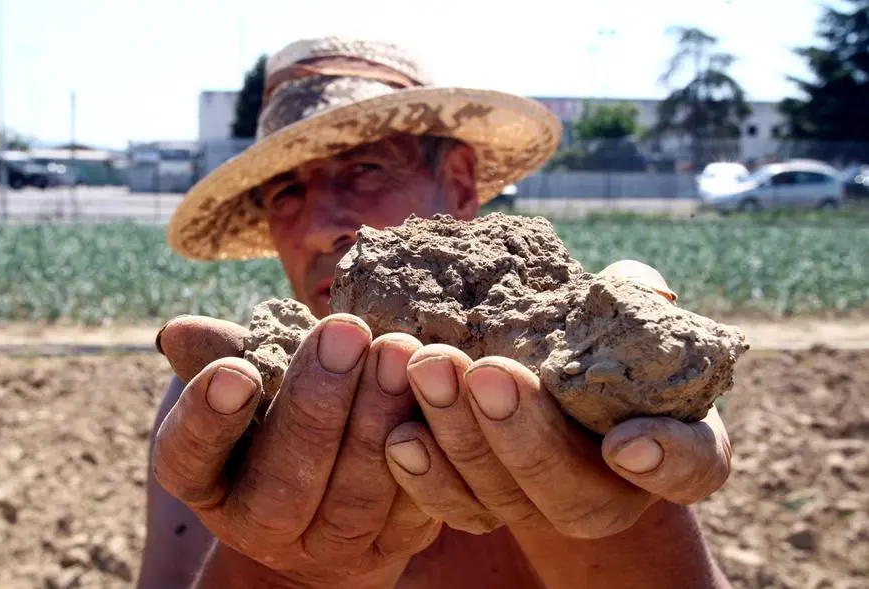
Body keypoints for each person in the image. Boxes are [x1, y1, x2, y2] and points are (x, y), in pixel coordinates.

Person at [136, 36, 734, 589]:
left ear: (460, 185)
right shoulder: (232, 391)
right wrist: (282, 571)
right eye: (287, 192)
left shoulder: (575, 356)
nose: (321, 227)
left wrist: (614, 476)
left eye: (365, 169)